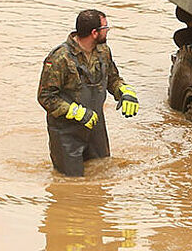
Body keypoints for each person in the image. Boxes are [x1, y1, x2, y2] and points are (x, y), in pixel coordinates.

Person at [37, 9, 139, 177]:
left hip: (95, 128)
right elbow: (45, 97)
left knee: (103, 174)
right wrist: (76, 112)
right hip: (67, 133)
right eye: (105, 27)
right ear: (94, 33)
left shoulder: (103, 51)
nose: (107, 31)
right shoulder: (59, 58)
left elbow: (113, 79)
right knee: (71, 183)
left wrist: (125, 92)